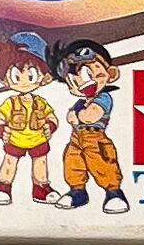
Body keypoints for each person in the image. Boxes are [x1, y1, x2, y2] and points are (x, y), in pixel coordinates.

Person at [52, 37, 129, 213]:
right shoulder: (81, 101)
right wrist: (74, 115)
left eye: (91, 74)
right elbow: (71, 116)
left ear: (111, 74)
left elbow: (90, 116)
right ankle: (77, 192)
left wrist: (77, 116)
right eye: (74, 80)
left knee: (103, 165)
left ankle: (114, 193)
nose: (83, 82)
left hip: (95, 139)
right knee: (73, 163)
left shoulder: (103, 98)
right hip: (76, 139)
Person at [0, 30, 59, 206]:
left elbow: (51, 116)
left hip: (38, 139)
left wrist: (50, 126)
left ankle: (41, 188)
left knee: (40, 164)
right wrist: (1, 130)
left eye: (31, 75)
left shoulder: (40, 102)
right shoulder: (11, 102)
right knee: (9, 162)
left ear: (44, 77)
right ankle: (2, 187)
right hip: (15, 139)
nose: (24, 81)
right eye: (16, 76)